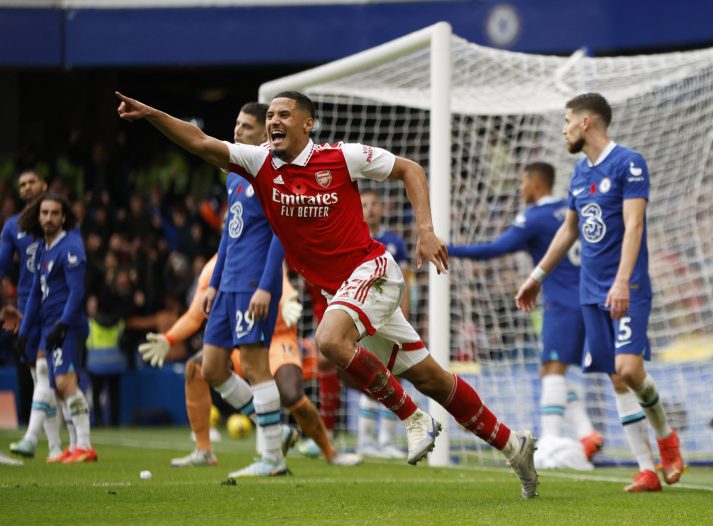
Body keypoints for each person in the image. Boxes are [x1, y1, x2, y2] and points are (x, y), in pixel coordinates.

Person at [116, 90, 538, 498]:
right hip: (347, 292)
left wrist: (425, 229)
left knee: (329, 340)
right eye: (270, 117)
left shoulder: (340, 157)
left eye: (283, 115)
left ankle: (412, 418)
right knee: (433, 379)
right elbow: (199, 141)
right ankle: (513, 445)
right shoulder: (258, 161)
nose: (273, 122)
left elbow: (411, 168)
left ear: (307, 123)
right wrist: (153, 114)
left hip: (373, 272)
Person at [138, 102, 359, 476]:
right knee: (211, 369)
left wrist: (266, 286)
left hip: (255, 283)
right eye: (236, 124)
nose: (237, 131)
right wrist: (216, 282)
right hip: (228, 286)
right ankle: (275, 430)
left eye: (246, 126)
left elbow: (280, 235)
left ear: (262, 133)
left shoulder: (273, 173)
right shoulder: (234, 175)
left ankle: (272, 458)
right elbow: (230, 232)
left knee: (257, 369)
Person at [515, 93, 684, 492]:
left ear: (587, 122)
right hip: (590, 292)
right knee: (616, 378)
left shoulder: (629, 163)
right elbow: (569, 230)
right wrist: (537, 275)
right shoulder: (578, 172)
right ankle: (646, 470)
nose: (563, 128)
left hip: (628, 286)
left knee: (629, 369)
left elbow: (635, 225)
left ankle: (667, 440)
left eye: (567, 119)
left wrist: (623, 281)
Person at [448, 162, 603, 464]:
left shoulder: (535, 217)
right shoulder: (570, 210)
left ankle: (551, 439)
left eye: (522, 182)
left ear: (535, 183)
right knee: (548, 372)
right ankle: (587, 434)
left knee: (554, 370)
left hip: (562, 305)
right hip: (587, 299)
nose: (520, 189)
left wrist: (448, 249)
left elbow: (495, 249)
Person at [17, 193, 96, 463]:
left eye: (54, 213)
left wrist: (63, 324)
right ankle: (74, 445)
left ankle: (84, 445)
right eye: (44, 213)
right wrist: (24, 332)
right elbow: (36, 297)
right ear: (38, 216)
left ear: (64, 217)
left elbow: (77, 292)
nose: (48, 218)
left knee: (65, 383)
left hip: (68, 324)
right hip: (50, 325)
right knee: (59, 389)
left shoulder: (71, 246)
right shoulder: (42, 248)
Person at [1, 170, 63, 460]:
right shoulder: (13, 227)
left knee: (46, 373)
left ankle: (31, 439)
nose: (26, 188)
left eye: (31, 182)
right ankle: (55, 447)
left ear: (44, 185)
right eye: (22, 184)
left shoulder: (61, 221)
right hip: (27, 305)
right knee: (41, 378)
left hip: (55, 303)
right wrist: (5, 304)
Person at [356, 189, 409, 459]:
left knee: (395, 374)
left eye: (375, 203)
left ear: (382, 207)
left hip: (391, 316)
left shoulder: (395, 242)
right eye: (365, 204)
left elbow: (405, 283)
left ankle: (387, 440)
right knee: (370, 374)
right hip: (362, 317)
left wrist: (406, 315)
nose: (371, 208)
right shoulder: (355, 239)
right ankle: (365, 440)